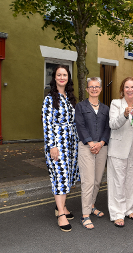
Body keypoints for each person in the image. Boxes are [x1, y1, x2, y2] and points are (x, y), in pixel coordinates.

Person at [42, 65, 79, 232]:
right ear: (54, 77)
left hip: (71, 143)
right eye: (59, 75)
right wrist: (52, 146)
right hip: (57, 143)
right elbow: (47, 124)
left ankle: (62, 207)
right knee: (61, 176)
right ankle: (61, 215)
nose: (62, 77)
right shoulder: (50, 99)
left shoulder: (70, 98)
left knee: (68, 176)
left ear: (68, 77)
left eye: (65, 74)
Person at [107, 77, 133, 228]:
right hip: (119, 146)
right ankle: (117, 213)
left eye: (132, 87)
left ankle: (129, 208)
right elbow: (112, 124)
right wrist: (124, 115)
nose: (129, 90)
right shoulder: (116, 104)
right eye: (126, 87)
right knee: (118, 180)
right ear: (122, 89)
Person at [75, 77, 111, 230]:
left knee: (97, 181)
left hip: (102, 147)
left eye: (97, 86)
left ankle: (91, 206)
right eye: (91, 87)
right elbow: (80, 126)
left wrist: (101, 143)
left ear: (101, 89)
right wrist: (91, 143)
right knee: (88, 182)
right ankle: (85, 215)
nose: (94, 89)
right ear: (87, 89)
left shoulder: (106, 109)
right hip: (86, 147)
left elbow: (107, 128)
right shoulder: (80, 107)